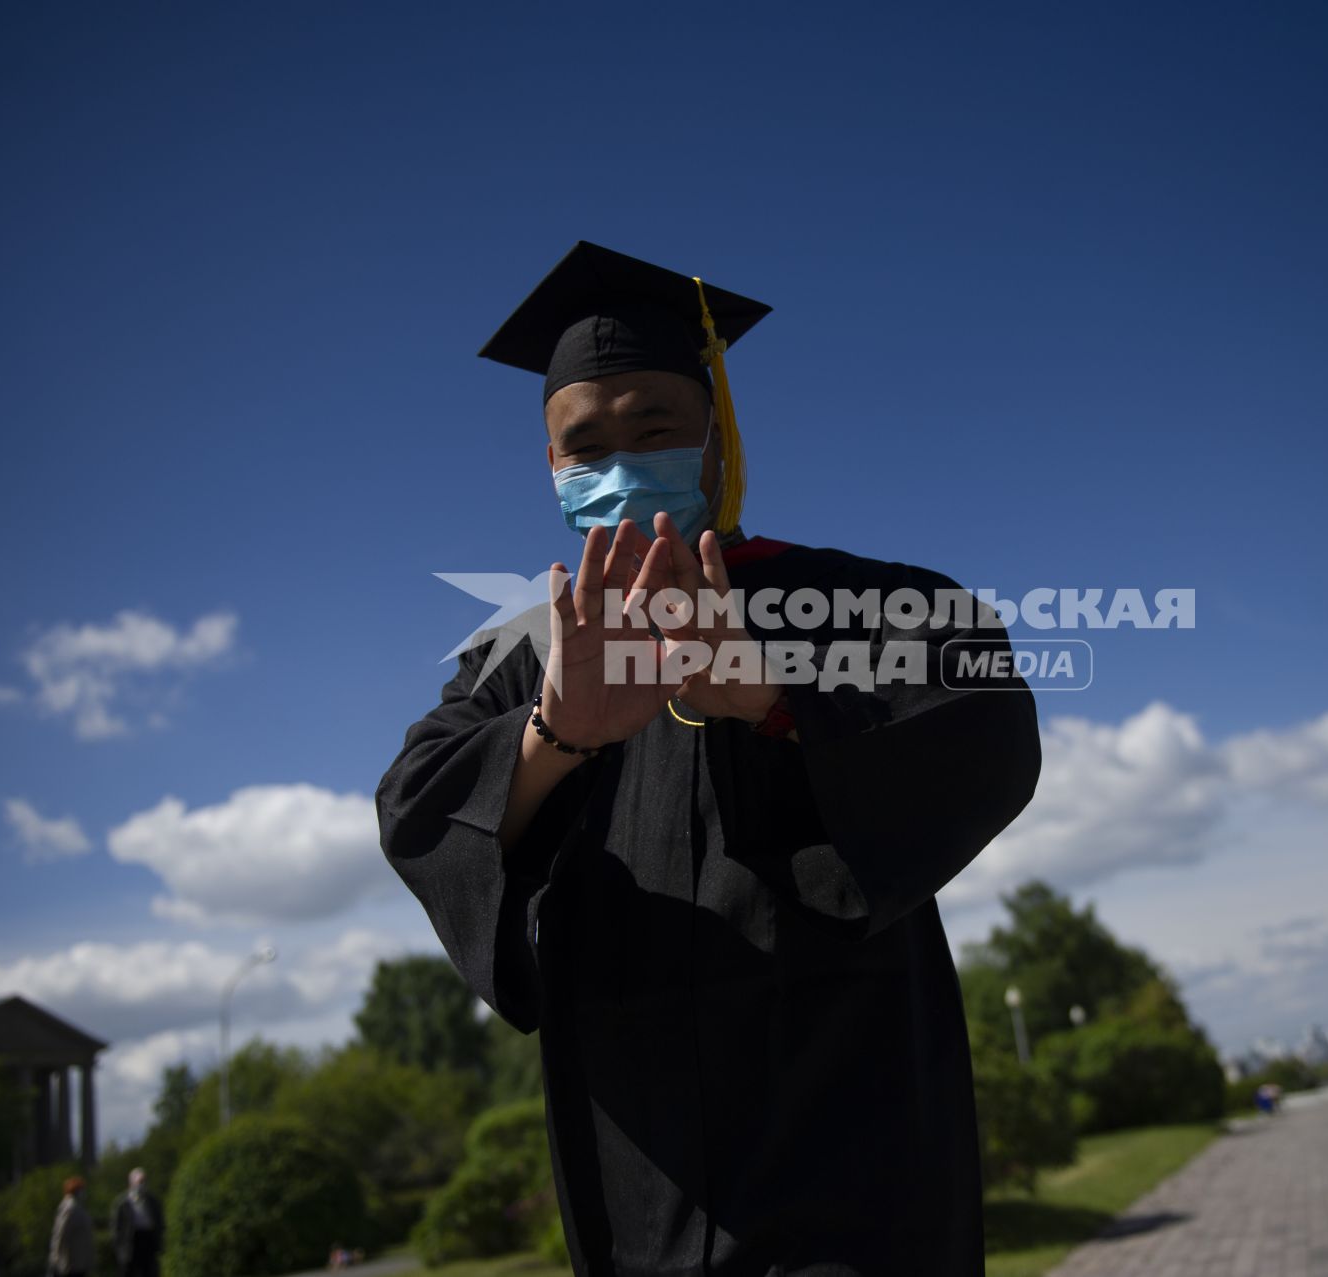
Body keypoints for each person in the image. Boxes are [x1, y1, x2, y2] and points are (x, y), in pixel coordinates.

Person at [377, 242, 1042, 1276]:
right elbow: (417, 808)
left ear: (717, 435)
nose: (619, 462)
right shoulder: (525, 651)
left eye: (655, 425)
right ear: (550, 466)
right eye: (581, 445)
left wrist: (771, 697)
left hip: (855, 1164)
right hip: (642, 1182)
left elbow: (983, 717)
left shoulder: (855, 599)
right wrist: (556, 738)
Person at [111, 1166, 164, 1276]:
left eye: (144, 1181)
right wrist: (120, 1249)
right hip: (131, 1242)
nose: (142, 1184)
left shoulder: (152, 1201)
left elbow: (159, 1222)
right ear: (132, 1183)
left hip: (148, 1242)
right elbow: (116, 1227)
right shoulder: (122, 1203)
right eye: (140, 1181)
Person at [48, 1176, 95, 1277]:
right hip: (71, 1264)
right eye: (82, 1190)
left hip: (79, 1262)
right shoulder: (70, 1208)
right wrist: (55, 1259)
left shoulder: (77, 1207)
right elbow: (60, 1234)